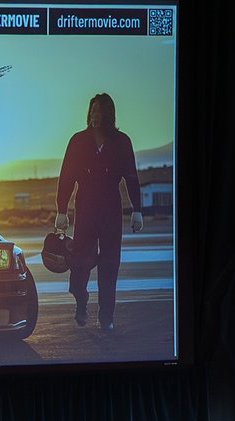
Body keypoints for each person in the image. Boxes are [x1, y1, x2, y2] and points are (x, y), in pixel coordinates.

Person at [55, 92, 142, 331]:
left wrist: (137, 209)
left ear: (109, 115)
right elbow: (66, 177)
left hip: (111, 208)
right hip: (85, 207)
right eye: (92, 111)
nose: (95, 116)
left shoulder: (122, 141)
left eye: (100, 112)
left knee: (110, 263)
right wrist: (62, 210)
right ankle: (81, 299)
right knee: (80, 262)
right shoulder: (78, 141)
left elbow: (131, 177)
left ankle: (106, 316)